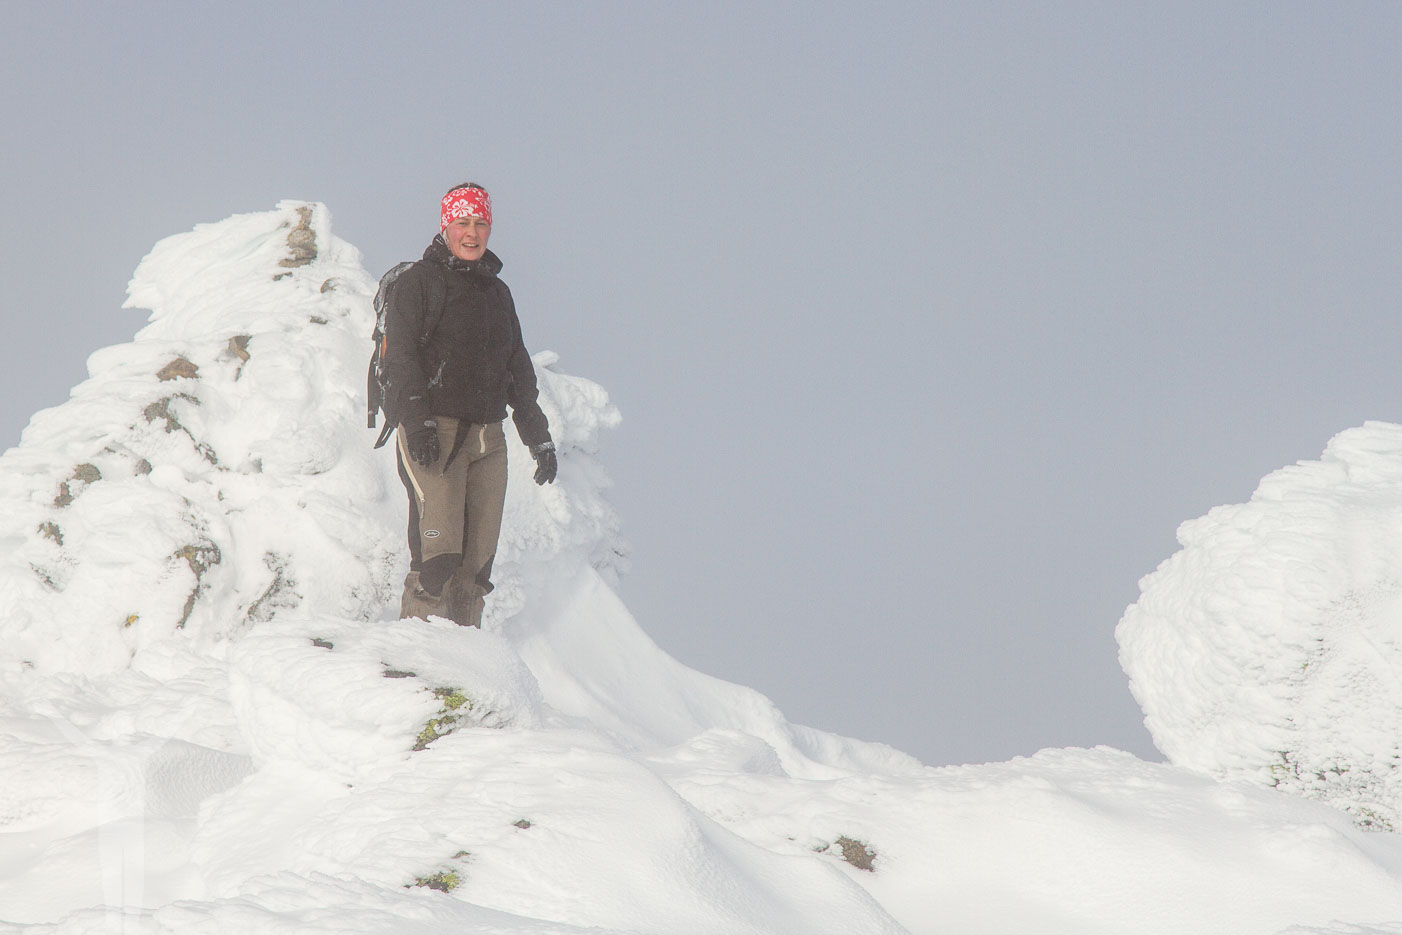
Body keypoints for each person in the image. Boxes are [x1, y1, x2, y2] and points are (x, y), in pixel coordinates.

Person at [379, 182, 557, 628]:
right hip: (434, 432)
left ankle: (463, 660)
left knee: (475, 568)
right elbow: (401, 357)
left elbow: (517, 367)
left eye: (480, 223)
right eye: (462, 222)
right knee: (437, 560)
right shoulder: (420, 283)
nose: (472, 233)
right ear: (446, 226)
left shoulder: (498, 293)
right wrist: (417, 423)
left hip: (488, 440)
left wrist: (538, 437)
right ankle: (419, 656)